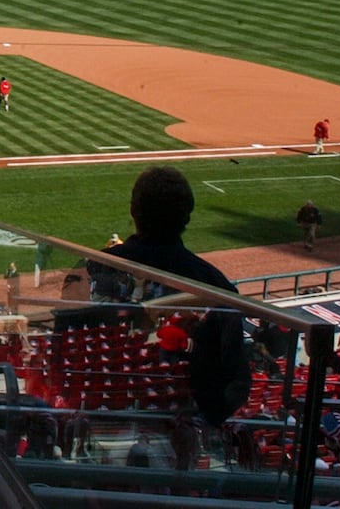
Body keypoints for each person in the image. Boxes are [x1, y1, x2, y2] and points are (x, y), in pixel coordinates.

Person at [104, 165, 250, 426]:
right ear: (187, 218)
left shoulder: (95, 267)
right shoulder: (217, 286)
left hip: (102, 419)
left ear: (133, 211)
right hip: (183, 438)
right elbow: (236, 383)